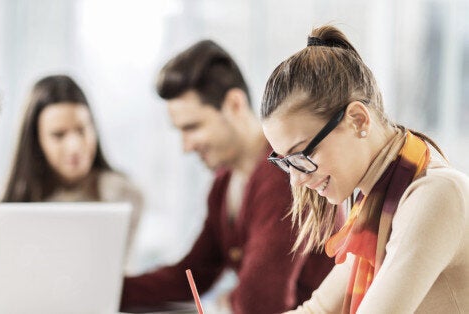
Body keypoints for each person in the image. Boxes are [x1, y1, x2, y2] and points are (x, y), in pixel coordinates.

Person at [260, 25, 469, 313]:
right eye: (286, 162)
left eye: (302, 154)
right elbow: (316, 311)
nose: (295, 180)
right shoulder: (375, 208)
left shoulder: (435, 195)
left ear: (358, 120)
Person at [121, 40, 337, 314]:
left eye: (193, 127)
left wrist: (231, 300)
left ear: (235, 104)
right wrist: (109, 288)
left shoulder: (285, 175)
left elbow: (259, 302)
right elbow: (193, 274)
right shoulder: (224, 183)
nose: (185, 146)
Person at [1, 75, 143, 256]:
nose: (74, 147)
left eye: (81, 130)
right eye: (58, 135)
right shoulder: (9, 204)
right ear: (36, 142)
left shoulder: (124, 194)